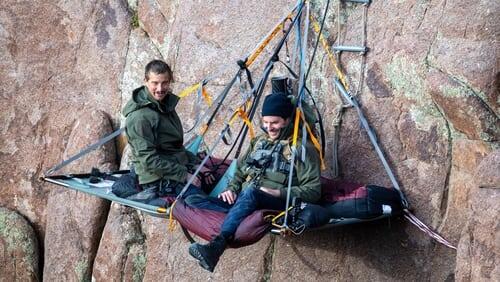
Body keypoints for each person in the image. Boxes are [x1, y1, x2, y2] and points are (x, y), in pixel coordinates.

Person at [188, 88, 322, 272]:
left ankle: (218, 245)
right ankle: (233, 220)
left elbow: (314, 191)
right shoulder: (259, 142)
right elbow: (240, 171)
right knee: (192, 200)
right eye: (265, 122)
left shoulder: (301, 149)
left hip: (277, 202)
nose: (269, 127)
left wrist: (278, 192)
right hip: (244, 199)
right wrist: (232, 189)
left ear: (287, 120)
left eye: (275, 122)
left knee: (251, 192)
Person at [123, 59, 212, 202]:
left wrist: (197, 164)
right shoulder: (139, 118)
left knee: (214, 181)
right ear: (145, 81)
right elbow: (149, 160)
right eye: (155, 83)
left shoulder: (164, 105)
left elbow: (173, 148)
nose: (160, 88)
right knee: (200, 202)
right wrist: (184, 175)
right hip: (156, 179)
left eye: (164, 82)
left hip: (173, 167)